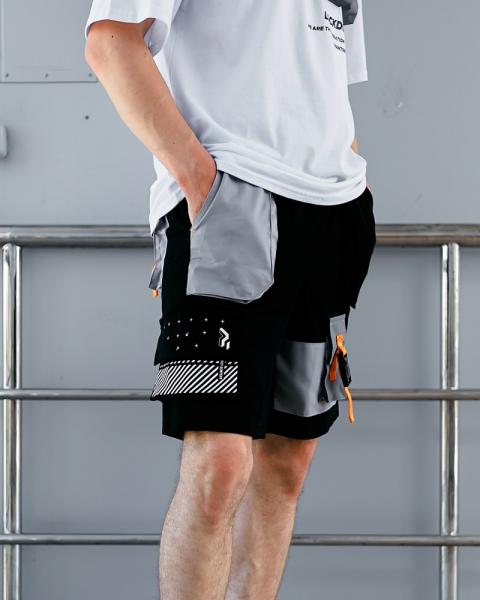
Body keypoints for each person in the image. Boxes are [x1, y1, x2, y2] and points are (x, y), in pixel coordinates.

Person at [84, 0, 376, 597]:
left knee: (288, 464)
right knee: (219, 464)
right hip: (232, 205)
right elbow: (109, 41)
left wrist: (351, 171)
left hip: (333, 214)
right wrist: (199, 180)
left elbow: (326, 76)